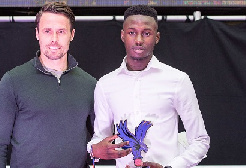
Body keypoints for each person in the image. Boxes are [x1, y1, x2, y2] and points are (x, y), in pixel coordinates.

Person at [87, 5, 210, 168]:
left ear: (156, 37)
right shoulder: (105, 84)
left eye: (146, 33)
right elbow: (100, 139)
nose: (139, 40)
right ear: (123, 36)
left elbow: (200, 140)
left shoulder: (177, 80)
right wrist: (94, 149)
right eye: (132, 32)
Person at [0, 2, 96, 168]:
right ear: (37, 33)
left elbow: (100, 139)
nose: (54, 39)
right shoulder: (13, 81)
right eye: (47, 31)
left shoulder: (90, 84)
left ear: (72, 34)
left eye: (61, 31)